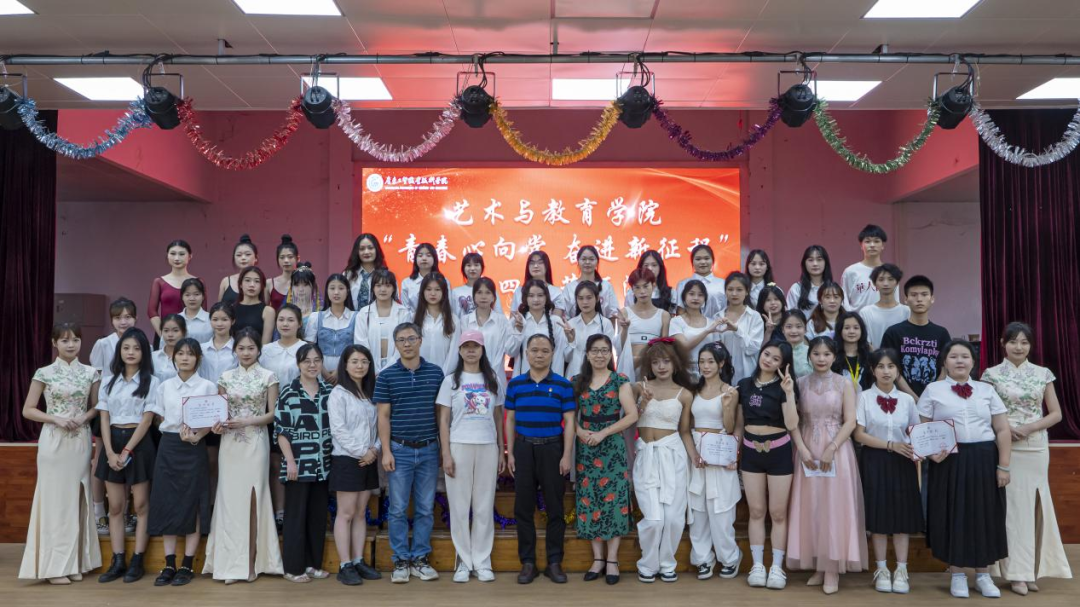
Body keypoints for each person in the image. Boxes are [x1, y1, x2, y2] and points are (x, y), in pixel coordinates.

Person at [982, 323, 1072, 595]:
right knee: (1012, 510)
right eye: (1013, 341)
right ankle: (1016, 573)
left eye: (1024, 342)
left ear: (1031, 345)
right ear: (1003, 343)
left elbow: (1056, 413)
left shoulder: (1043, 373)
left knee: (1036, 507)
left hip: (1035, 447)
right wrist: (1006, 429)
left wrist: (1030, 428)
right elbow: (984, 411)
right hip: (1005, 446)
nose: (1018, 347)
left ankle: (1032, 569)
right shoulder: (991, 374)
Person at [917, 340, 1011, 599]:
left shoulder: (986, 390)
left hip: (984, 458)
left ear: (973, 362)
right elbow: (923, 429)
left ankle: (983, 574)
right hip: (948, 460)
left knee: (985, 513)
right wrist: (931, 453)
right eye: (953, 356)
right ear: (944, 362)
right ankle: (957, 574)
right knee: (952, 514)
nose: (959, 361)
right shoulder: (933, 390)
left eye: (965, 356)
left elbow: (1002, 429)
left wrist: (1003, 466)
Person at [18, 322, 102, 584]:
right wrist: (55, 418)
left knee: (78, 498)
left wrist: (84, 417)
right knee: (54, 501)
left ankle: (74, 562)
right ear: (54, 343)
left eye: (75, 339)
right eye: (65, 340)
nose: (71, 344)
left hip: (80, 440)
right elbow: (28, 409)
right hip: (53, 442)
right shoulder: (44, 373)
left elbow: (97, 406)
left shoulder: (90, 373)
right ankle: (54, 567)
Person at [787, 337, 867, 594]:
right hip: (807, 447)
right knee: (812, 505)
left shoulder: (845, 383)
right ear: (809, 356)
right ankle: (819, 565)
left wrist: (832, 447)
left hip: (837, 449)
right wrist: (801, 448)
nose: (821, 359)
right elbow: (793, 421)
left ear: (834, 356)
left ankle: (832, 567)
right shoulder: (799, 383)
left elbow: (850, 421)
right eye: (816, 354)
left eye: (826, 354)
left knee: (834, 506)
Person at [204, 328, 284, 584]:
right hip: (230, 444)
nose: (246, 352)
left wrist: (248, 421)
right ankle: (228, 564)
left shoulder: (269, 376)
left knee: (253, 499)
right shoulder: (225, 377)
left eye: (251, 348)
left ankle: (251, 563)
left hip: (256, 442)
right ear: (235, 350)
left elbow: (274, 414)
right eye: (241, 348)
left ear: (259, 350)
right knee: (229, 502)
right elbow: (219, 413)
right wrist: (218, 426)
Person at [375, 322, 444, 583]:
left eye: (411, 338)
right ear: (395, 344)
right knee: (397, 509)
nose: (407, 343)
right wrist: (386, 451)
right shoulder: (387, 376)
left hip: (429, 449)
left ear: (420, 340)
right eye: (401, 340)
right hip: (399, 450)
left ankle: (420, 559)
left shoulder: (435, 373)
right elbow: (383, 416)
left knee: (425, 508)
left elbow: (440, 414)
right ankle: (401, 560)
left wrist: (442, 448)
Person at [505, 334, 576, 585]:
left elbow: (569, 422)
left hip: (552, 449)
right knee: (523, 508)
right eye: (534, 350)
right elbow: (510, 419)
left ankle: (554, 562)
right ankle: (528, 563)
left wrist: (566, 455)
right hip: (523, 449)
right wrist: (511, 452)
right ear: (526, 353)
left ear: (552, 354)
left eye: (545, 351)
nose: (539, 354)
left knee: (555, 508)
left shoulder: (562, 385)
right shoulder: (516, 384)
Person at [438, 331, 506, 583]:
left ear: (482, 350)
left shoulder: (492, 379)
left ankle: (482, 561)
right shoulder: (450, 381)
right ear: (459, 350)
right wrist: (446, 453)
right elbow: (443, 420)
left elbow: (498, 417)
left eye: (475, 346)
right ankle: (463, 562)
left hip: (487, 446)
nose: (470, 350)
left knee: (483, 506)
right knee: (459, 507)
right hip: (459, 446)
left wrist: (501, 448)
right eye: (466, 346)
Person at [854, 348, 923, 594]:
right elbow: (859, 434)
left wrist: (927, 450)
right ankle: (881, 569)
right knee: (878, 516)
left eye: (891, 366)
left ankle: (902, 570)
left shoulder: (907, 400)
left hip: (903, 461)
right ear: (872, 371)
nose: (886, 371)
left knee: (902, 517)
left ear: (898, 370)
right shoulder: (863, 397)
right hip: (874, 459)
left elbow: (917, 433)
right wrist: (890, 445)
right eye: (881, 366)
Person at [147, 338, 215, 587]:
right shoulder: (165, 386)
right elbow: (159, 418)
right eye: (181, 354)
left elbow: (213, 419)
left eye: (190, 354)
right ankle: (169, 564)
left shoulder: (208, 386)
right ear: (173, 357)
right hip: (169, 446)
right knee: (168, 502)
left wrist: (197, 435)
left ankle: (187, 564)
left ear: (198, 358)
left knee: (193, 503)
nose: (185, 358)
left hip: (194, 447)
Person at [573, 334, 638, 585]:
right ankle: (597, 559)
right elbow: (571, 415)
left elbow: (631, 415)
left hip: (612, 446)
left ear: (610, 354)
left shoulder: (619, 380)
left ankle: (612, 560)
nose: (599, 355)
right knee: (590, 500)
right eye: (595, 350)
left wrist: (603, 433)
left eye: (604, 350)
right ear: (587, 354)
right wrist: (580, 432)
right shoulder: (577, 381)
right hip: (586, 447)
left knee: (615, 501)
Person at [95, 327, 159, 584]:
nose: (131, 352)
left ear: (144, 352)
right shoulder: (108, 381)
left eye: (136, 348)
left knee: (141, 505)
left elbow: (147, 420)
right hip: (113, 441)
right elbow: (104, 418)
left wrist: (126, 451)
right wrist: (110, 452)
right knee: (116, 506)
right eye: (126, 348)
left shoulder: (151, 382)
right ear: (119, 351)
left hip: (139, 443)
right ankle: (118, 560)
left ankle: (137, 560)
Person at [631, 338, 695, 583]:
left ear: (675, 364)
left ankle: (668, 563)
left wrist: (695, 457)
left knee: (673, 517)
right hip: (646, 456)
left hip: (674, 456)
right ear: (649, 364)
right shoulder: (638, 387)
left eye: (666, 361)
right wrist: (643, 402)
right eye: (656, 362)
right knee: (654, 518)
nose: (661, 366)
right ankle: (647, 563)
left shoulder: (685, 394)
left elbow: (685, 431)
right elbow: (629, 420)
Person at [737, 342, 799, 589]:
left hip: (779, 452)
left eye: (776, 359)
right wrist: (734, 452)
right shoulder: (744, 385)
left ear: (783, 364)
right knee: (756, 511)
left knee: (778, 513)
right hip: (751, 452)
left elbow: (792, 424)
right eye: (767, 354)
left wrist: (790, 393)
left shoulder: (786, 386)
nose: (769, 360)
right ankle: (757, 565)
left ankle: (776, 567)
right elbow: (739, 424)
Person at [275, 344, 334, 583]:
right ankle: (293, 568)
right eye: (307, 361)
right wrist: (290, 461)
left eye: (317, 360)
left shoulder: (329, 391)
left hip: (323, 465)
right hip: (297, 464)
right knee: (295, 517)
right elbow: (281, 431)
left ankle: (312, 564)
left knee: (317, 517)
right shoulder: (289, 392)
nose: (312, 365)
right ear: (298, 364)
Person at [687, 343, 743, 581]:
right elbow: (687, 426)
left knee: (721, 510)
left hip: (720, 451)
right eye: (702, 361)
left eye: (711, 361)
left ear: (721, 363)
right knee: (698, 510)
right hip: (698, 452)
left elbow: (732, 427)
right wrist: (693, 453)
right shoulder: (694, 390)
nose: (705, 366)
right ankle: (703, 559)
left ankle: (730, 557)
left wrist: (727, 406)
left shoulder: (730, 391)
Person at [328, 345, 383, 586]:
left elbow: (381, 425)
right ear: (345, 364)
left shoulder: (372, 393)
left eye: (364, 361)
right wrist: (363, 452)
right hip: (347, 459)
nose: (360, 366)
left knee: (361, 512)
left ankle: (359, 560)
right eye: (354, 361)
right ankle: (345, 564)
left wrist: (375, 450)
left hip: (369, 458)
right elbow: (338, 430)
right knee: (346, 513)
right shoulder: (338, 393)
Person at [260, 304, 306, 526]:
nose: (285, 324)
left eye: (290, 320)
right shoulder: (266, 351)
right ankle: (279, 512)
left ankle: (296, 512)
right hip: (271, 413)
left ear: (299, 324)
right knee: (276, 463)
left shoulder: (306, 349)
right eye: (281, 319)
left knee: (297, 462)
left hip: (300, 414)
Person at [880, 275, 952, 400]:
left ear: (932, 299)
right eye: (913, 295)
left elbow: (945, 369)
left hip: (934, 399)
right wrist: (914, 399)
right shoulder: (893, 333)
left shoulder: (942, 333)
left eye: (924, 294)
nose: (919, 299)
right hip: (900, 400)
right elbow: (891, 369)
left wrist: (929, 397)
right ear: (906, 299)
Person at [454, 277, 514, 397]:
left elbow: (509, 350)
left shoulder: (502, 321)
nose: (483, 296)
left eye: (488, 293)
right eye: (479, 292)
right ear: (473, 296)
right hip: (470, 379)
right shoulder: (465, 321)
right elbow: (461, 350)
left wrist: (518, 331)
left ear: (493, 297)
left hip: (496, 377)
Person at [616, 268, 671, 382]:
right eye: (637, 287)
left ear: (653, 286)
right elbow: (619, 347)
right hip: (627, 369)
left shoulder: (664, 315)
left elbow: (664, 350)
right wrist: (625, 329)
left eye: (646, 286)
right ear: (632, 289)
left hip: (653, 371)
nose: (642, 291)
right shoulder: (624, 313)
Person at [354, 269, 412, 374]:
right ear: (373, 288)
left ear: (394, 288)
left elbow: (404, 344)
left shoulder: (403, 313)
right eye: (378, 285)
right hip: (369, 371)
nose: (383, 289)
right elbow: (361, 344)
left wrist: (387, 371)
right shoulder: (363, 314)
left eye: (388, 285)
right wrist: (374, 370)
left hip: (397, 370)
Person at [508, 279, 570, 376]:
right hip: (523, 380)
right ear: (525, 298)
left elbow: (560, 356)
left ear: (546, 297)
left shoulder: (556, 322)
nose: (536, 299)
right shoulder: (516, 321)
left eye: (540, 295)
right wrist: (518, 332)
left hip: (549, 381)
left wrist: (555, 380)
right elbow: (511, 352)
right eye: (531, 295)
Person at [717, 272, 766, 384]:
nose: (734, 294)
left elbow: (753, 348)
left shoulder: (754, 317)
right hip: (722, 376)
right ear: (725, 291)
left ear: (747, 291)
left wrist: (737, 330)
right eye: (730, 289)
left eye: (739, 290)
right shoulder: (718, 317)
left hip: (747, 375)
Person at [305, 273, 357, 379]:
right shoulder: (316, 317)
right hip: (319, 372)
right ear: (327, 291)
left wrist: (340, 370)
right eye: (332, 288)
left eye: (341, 288)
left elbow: (358, 349)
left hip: (348, 372)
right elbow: (310, 348)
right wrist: (323, 371)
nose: (336, 292)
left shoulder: (357, 317)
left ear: (347, 291)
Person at [670, 279, 723, 380]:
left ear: (705, 299)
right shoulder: (676, 321)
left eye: (700, 295)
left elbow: (717, 350)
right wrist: (707, 331)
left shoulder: (711, 322)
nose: (696, 298)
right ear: (684, 297)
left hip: (708, 372)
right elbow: (684, 347)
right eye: (691, 294)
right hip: (684, 371)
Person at [564, 281, 618, 377]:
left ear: (597, 298)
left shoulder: (605, 323)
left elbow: (607, 354)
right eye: (580, 298)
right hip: (574, 375)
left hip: (598, 376)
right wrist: (571, 341)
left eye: (589, 298)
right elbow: (566, 358)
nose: (585, 302)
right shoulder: (571, 324)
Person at [149, 240, 196, 342]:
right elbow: (151, 311)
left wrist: (187, 336)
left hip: (190, 337)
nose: (177, 258)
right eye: (173, 254)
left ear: (190, 256)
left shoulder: (197, 282)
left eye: (181, 254)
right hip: (165, 335)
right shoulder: (159, 282)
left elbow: (202, 312)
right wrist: (163, 335)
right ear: (167, 256)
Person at [562, 245, 619, 321]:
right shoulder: (569, 288)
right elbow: (565, 315)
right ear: (578, 261)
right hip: (574, 328)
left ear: (597, 262)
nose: (587, 262)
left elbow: (612, 314)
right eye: (584, 259)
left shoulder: (606, 286)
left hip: (602, 328)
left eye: (591, 259)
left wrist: (608, 328)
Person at [860, 264, 909, 348]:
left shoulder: (907, 311)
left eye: (890, 279)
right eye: (881, 279)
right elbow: (866, 342)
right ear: (874, 283)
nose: (886, 283)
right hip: (876, 356)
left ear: (897, 282)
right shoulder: (866, 312)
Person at [415, 272, 457, 371]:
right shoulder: (413, 318)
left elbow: (454, 352)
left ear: (444, 292)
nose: (433, 293)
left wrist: (443, 375)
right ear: (422, 292)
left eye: (437, 289)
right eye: (428, 289)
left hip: (444, 375)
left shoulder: (453, 320)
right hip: (418, 374)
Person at [841, 224, 887, 311]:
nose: (872, 245)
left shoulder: (890, 272)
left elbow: (895, 302)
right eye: (867, 241)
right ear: (861, 245)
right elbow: (844, 300)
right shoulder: (851, 271)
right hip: (857, 319)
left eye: (876, 241)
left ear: (883, 245)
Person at [675, 244, 727, 317]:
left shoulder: (723, 284)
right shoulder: (683, 284)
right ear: (692, 262)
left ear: (713, 260)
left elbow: (728, 310)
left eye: (706, 258)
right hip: (690, 324)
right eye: (698, 259)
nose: (702, 262)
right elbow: (680, 311)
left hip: (718, 323)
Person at [511, 251, 567, 317]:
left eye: (540, 262)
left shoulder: (556, 292)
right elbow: (513, 318)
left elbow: (556, 320)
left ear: (547, 265)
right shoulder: (519, 291)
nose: (535, 266)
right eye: (532, 263)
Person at [233, 266, 276, 346]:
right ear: (240, 284)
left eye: (257, 281)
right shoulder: (231, 309)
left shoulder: (268, 311)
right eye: (247, 280)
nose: (252, 285)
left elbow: (265, 345)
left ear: (262, 286)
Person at [343, 233, 387, 311]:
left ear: (376, 250)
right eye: (362, 249)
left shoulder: (386, 275)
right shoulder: (348, 275)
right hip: (353, 317)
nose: (366, 252)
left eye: (370, 248)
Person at [452, 252, 503, 317]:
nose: (472, 268)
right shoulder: (456, 292)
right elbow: (453, 316)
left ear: (482, 267)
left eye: (476, 265)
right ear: (463, 268)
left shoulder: (489, 289)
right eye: (469, 265)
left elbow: (499, 314)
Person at [199, 302, 238, 385]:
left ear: (233, 321)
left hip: (229, 392)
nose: (219, 324)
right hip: (205, 392)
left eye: (224, 319)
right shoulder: (201, 349)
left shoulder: (238, 349)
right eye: (215, 319)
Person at [833, 311, 874, 391]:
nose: (851, 331)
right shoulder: (833, 357)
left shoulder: (869, 357)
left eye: (856, 328)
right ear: (840, 331)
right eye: (847, 328)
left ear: (862, 330)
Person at [787, 245, 833, 313]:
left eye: (819, 260)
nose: (815, 264)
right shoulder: (796, 289)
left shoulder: (835, 289)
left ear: (826, 263)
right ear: (804, 264)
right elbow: (789, 315)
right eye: (810, 260)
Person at [219, 234, 258, 305]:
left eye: (248, 254)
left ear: (256, 258)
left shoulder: (262, 282)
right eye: (239, 255)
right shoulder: (226, 281)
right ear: (234, 258)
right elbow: (218, 308)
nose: (243, 258)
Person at [400, 242, 440, 313]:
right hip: (414, 319)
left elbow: (447, 306)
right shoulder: (407, 283)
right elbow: (405, 309)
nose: (424, 258)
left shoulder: (443, 281)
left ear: (434, 259)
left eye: (428, 255)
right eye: (420, 255)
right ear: (415, 259)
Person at [267, 234, 299, 309]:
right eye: (282, 257)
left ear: (298, 258)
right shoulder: (269, 283)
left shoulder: (304, 283)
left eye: (290, 257)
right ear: (277, 259)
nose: (286, 260)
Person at [152, 314, 186, 382]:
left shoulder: (188, 357)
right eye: (166, 330)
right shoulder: (152, 357)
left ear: (184, 332)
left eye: (175, 330)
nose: (170, 335)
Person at [179, 278, 213, 344]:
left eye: (196, 294)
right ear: (182, 297)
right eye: (187, 295)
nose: (192, 298)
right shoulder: (175, 320)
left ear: (203, 296)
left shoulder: (211, 319)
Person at [780, 310, 812, 378]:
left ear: (805, 329)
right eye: (789, 327)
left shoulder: (812, 352)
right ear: (783, 329)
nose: (794, 331)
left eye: (798, 326)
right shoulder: (777, 351)